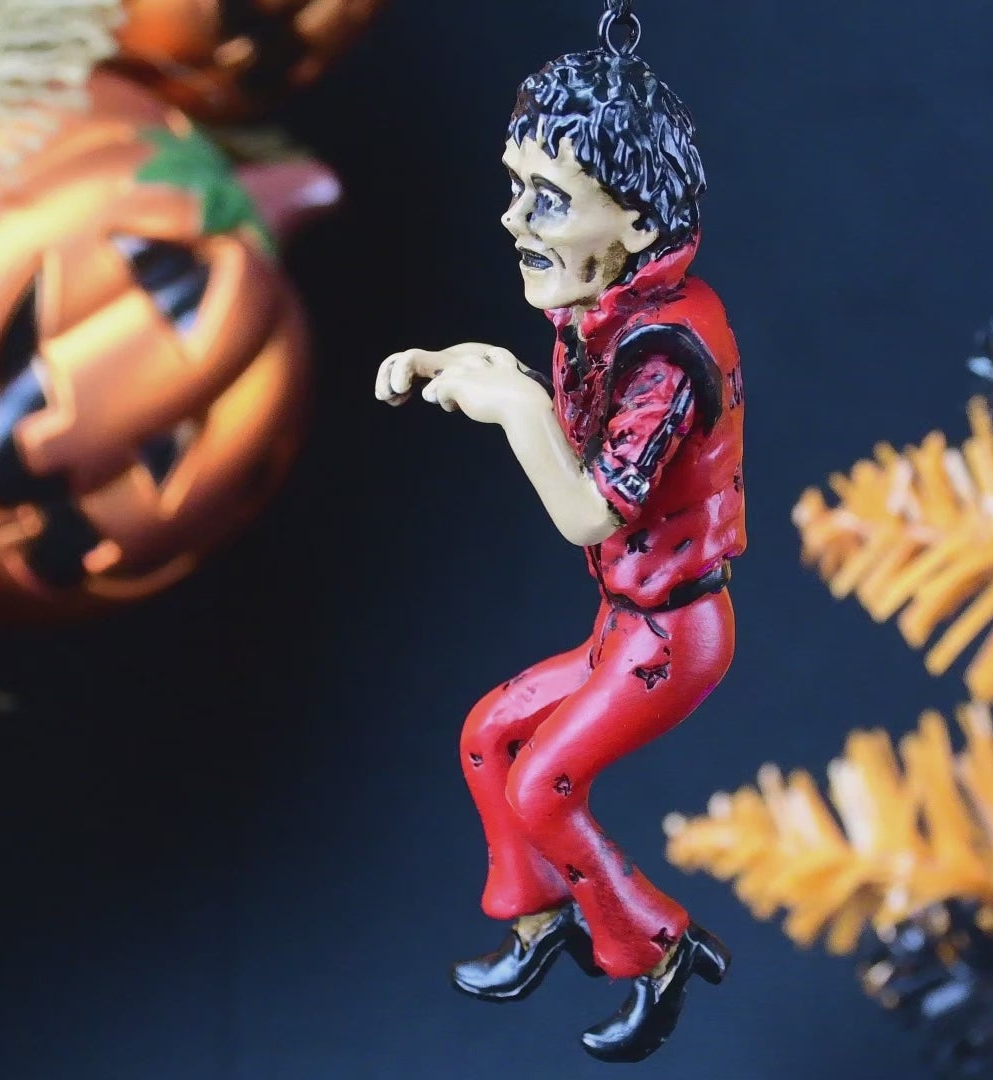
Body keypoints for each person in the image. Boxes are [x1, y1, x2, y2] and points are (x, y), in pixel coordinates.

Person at [374, 44, 746, 1064]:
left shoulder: (667, 353)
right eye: (515, 188)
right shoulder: (602, 313)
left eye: (546, 200)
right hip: (624, 622)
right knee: (490, 736)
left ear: (635, 224)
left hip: (673, 630)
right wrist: (461, 367)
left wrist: (515, 409)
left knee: (545, 786)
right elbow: (569, 422)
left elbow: (590, 511)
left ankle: (658, 947)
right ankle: (542, 919)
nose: (513, 220)